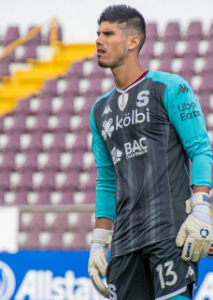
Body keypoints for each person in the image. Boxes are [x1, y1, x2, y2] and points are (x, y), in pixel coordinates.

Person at [88, 5, 213, 300]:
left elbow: (201, 150)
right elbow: (107, 179)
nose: (98, 40)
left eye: (108, 33)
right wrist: (98, 242)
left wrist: (201, 210)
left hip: (171, 233)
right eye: (98, 33)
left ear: (132, 41)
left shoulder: (170, 87)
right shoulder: (99, 110)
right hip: (124, 243)